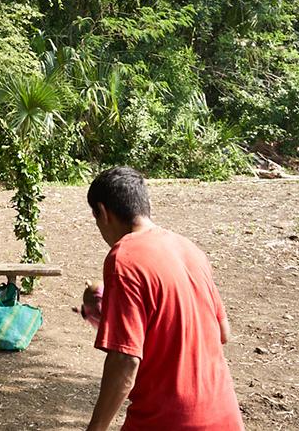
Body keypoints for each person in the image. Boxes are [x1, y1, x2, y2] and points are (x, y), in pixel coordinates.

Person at [85, 166, 243, 431]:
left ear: (102, 212)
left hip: (170, 420)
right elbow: (222, 331)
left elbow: (125, 360)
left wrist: (96, 428)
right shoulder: (188, 248)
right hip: (224, 415)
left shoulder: (124, 258)